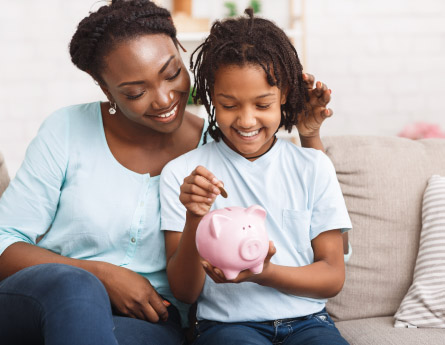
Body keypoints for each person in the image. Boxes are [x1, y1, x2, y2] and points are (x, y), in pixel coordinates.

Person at [0, 1, 335, 345]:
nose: (163, 99)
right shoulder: (66, 130)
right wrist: (103, 276)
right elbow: (3, 243)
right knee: (76, 287)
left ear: (181, 49)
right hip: (46, 299)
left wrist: (310, 136)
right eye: (136, 92)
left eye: (172, 73)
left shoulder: (221, 145)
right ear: (105, 89)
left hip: (148, 317)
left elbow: (312, 239)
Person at [160, 8, 352, 345]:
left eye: (262, 104)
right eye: (229, 104)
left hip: (309, 323)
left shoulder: (313, 166)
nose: (247, 121)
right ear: (210, 99)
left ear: (284, 95)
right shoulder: (183, 175)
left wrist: (265, 273)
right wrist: (194, 217)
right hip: (227, 326)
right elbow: (185, 292)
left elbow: (333, 276)